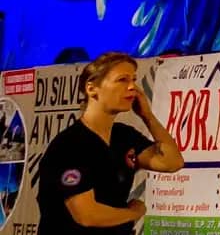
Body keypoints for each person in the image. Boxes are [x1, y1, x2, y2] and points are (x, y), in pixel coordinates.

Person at [37, 51, 183, 235]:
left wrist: (148, 116)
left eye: (133, 79)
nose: (132, 87)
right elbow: (87, 215)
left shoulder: (124, 136)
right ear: (92, 89)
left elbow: (172, 162)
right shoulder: (70, 145)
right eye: (122, 80)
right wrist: (133, 213)